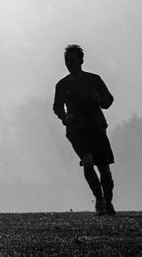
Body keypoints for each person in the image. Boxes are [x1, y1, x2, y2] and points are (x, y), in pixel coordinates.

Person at [53, 44, 116, 215]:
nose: (69, 63)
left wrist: (99, 98)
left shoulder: (94, 80)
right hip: (77, 131)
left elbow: (108, 101)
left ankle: (108, 202)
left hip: (96, 126)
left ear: (81, 60)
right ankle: (99, 199)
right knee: (87, 162)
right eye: (67, 60)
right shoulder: (62, 85)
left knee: (104, 168)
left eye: (72, 60)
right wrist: (65, 118)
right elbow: (57, 107)